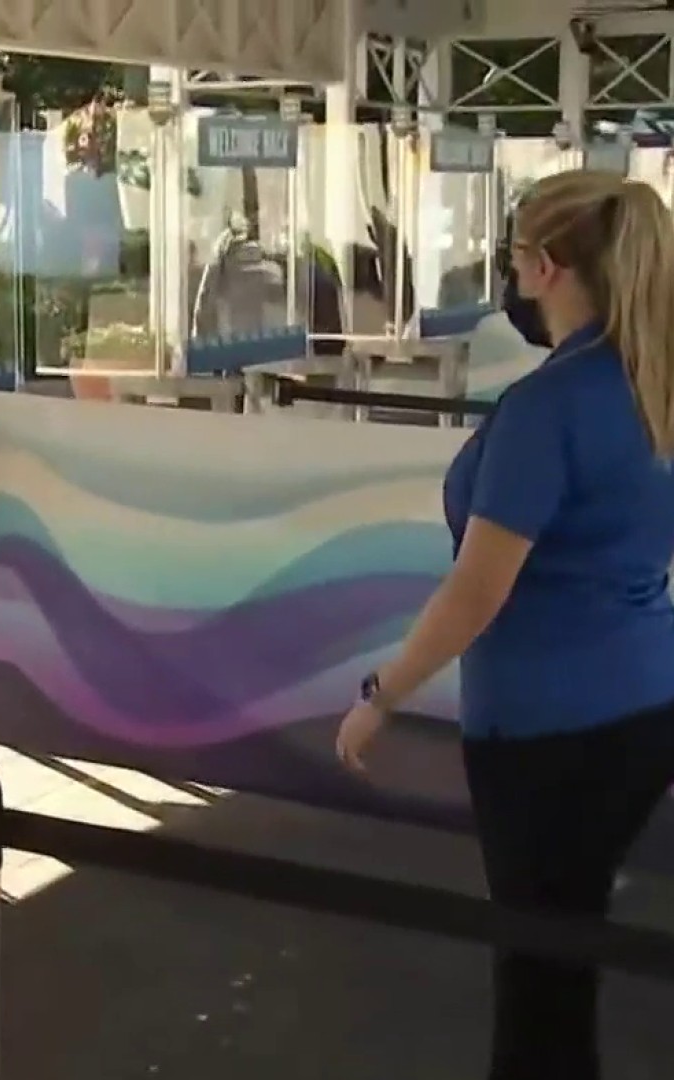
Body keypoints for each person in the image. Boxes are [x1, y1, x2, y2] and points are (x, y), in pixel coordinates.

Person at [334, 170, 674, 1080]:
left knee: (539, 988)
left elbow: (478, 592)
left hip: (543, 733)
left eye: (518, 257)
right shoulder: (652, 385)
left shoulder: (546, 408)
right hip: (646, 706)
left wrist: (383, 694)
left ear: (549, 266)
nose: (512, 277)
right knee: (569, 961)